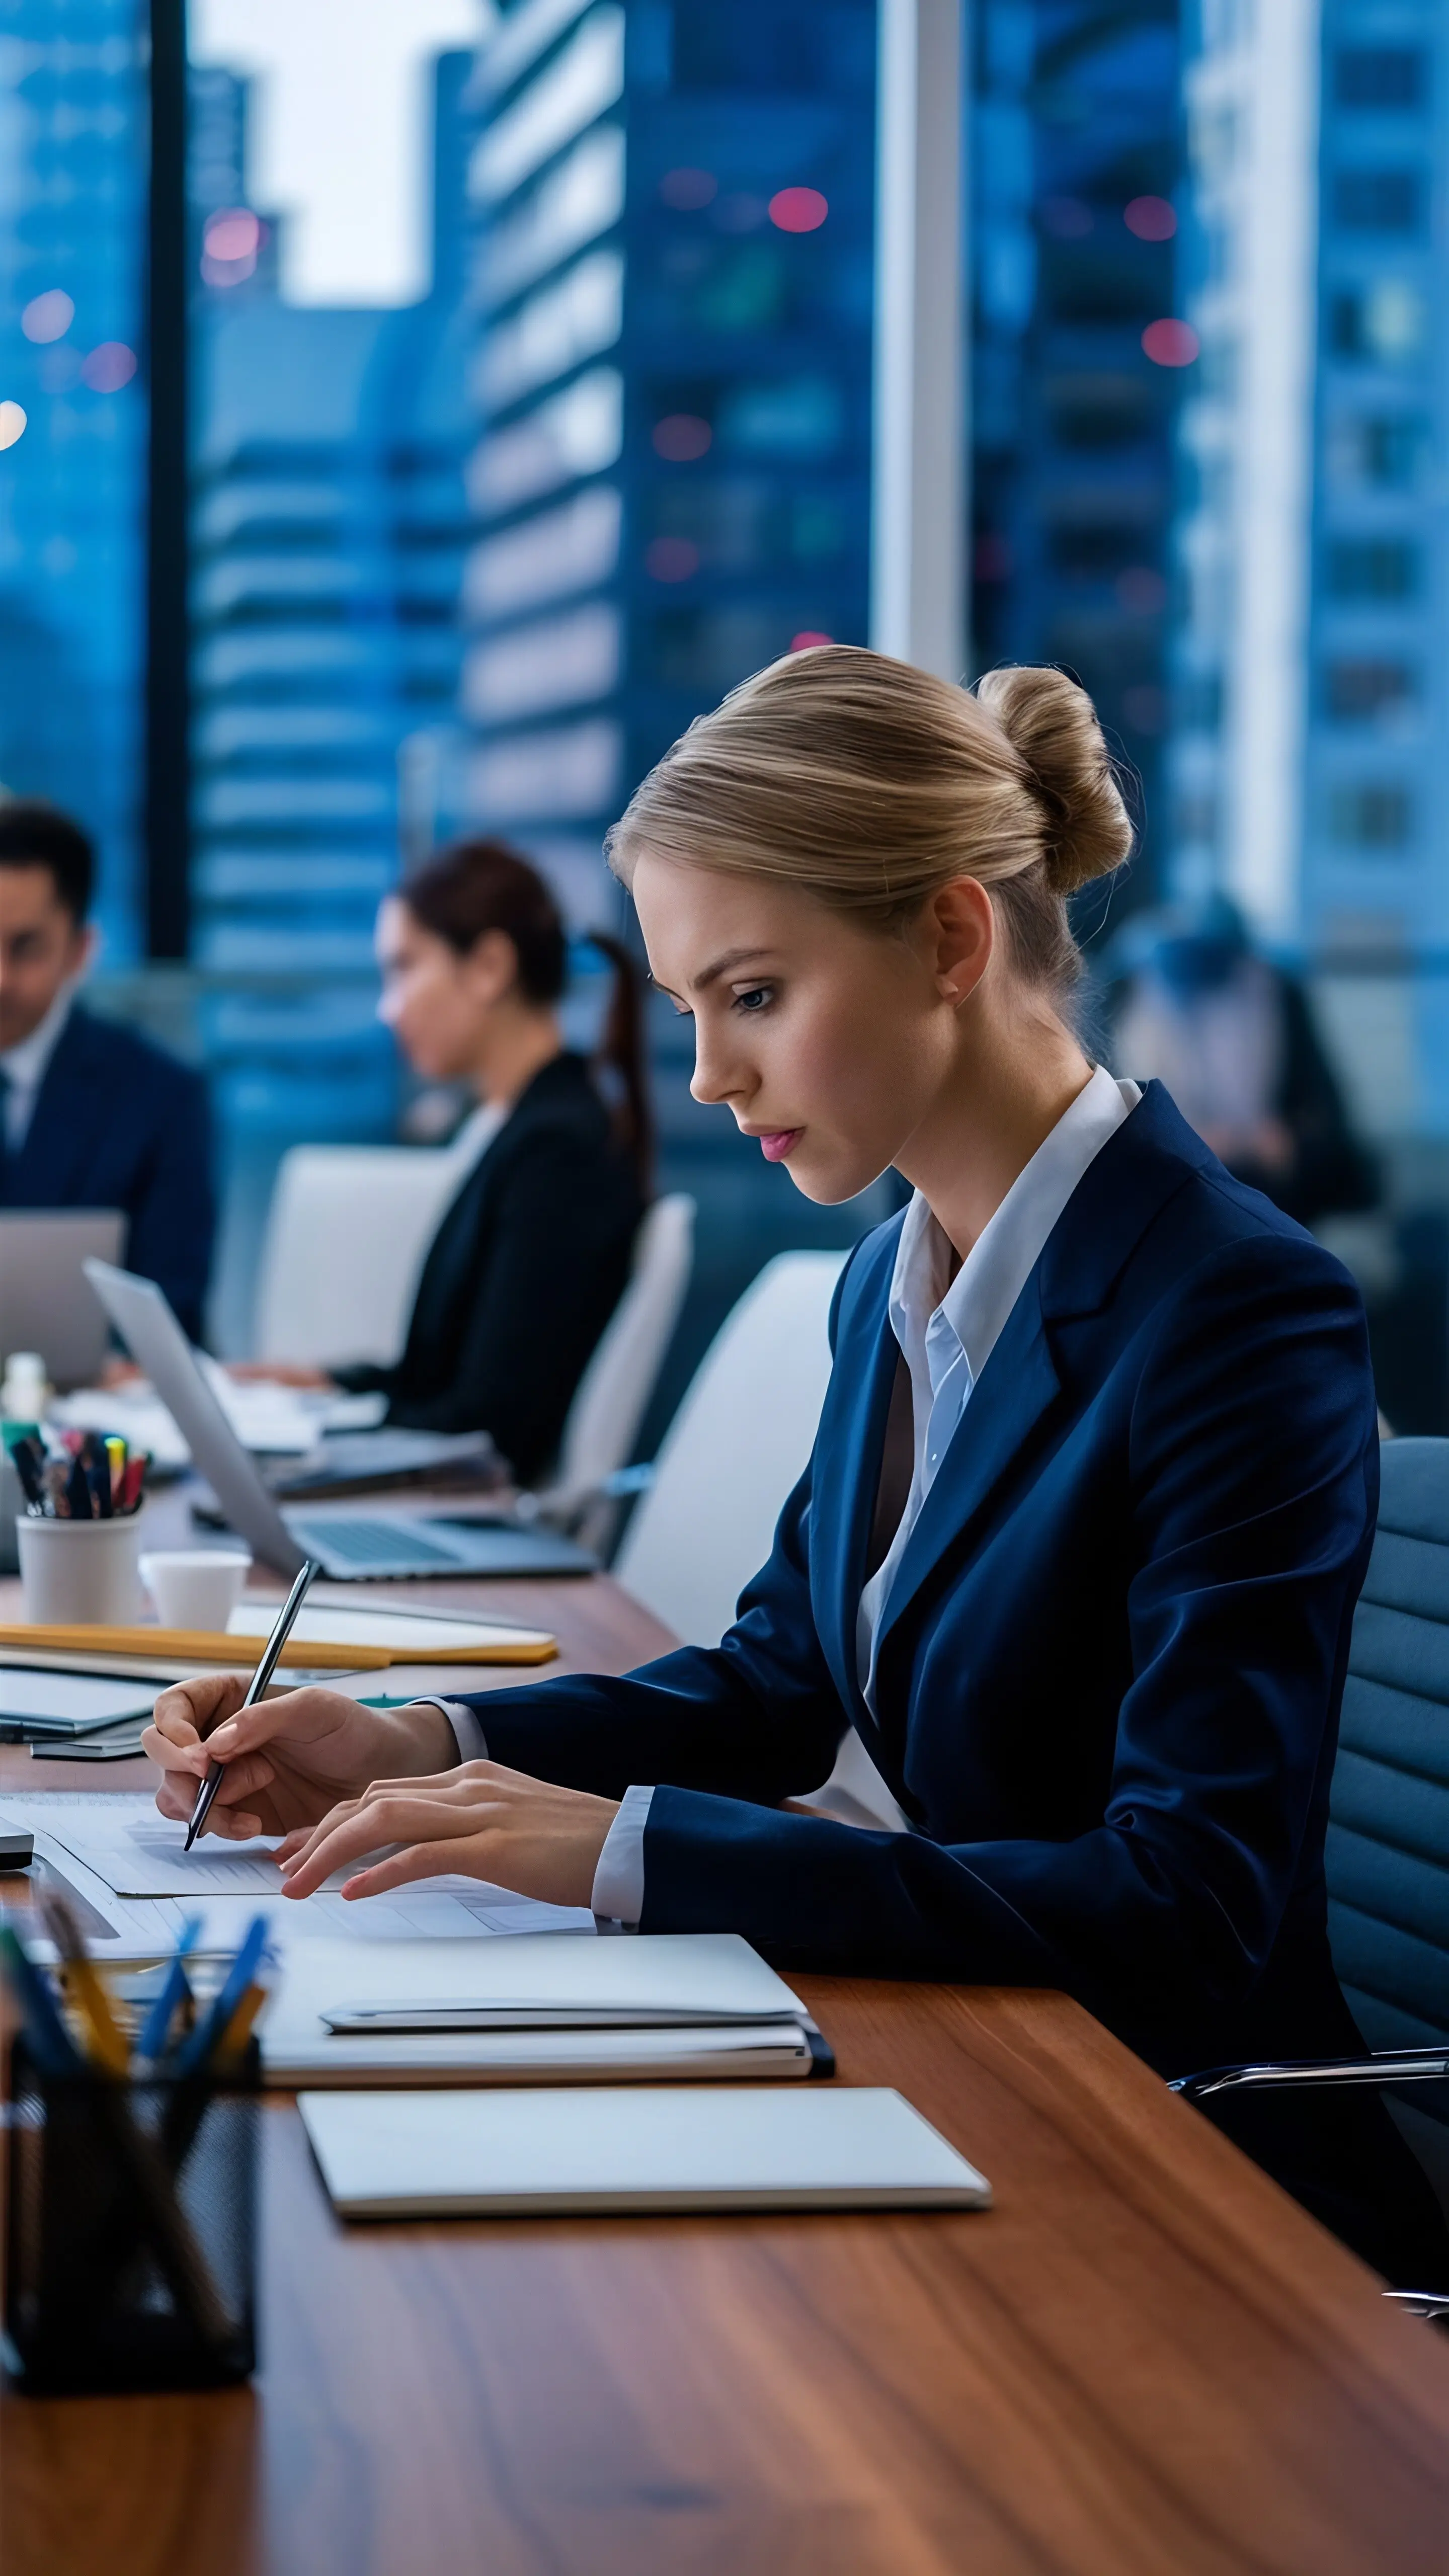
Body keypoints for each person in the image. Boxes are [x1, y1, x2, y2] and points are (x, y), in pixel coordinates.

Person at [146, 649, 1446, 2284]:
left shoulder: (1235, 1306)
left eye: (751, 994)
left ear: (953, 939)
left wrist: (632, 1851)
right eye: (689, 1009)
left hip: (1181, 2174)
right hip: (976, 2079)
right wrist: (414, 1732)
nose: (705, 1074)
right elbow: (776, 1683)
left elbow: (1183, 1905)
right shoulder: (890, 1278)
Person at [246, 839, 649, 1484]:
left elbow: (492, 1422)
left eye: (403, 967)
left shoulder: (556, 1153)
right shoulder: (515, 1128)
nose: (388, 1007)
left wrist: (318, 1437)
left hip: (472, 1506)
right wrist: (326, 1383)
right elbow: (448, 1376)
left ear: (488, 965)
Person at [0, 798, 213, 1340]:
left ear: (80, 950)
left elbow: (174, 1305)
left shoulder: (160, 1098)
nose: (0, 979)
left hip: (94, 1407)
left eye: (24, 948)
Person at [1107, 893, 1379, 1228]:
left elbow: (1324, 1108)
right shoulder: (1126, 998)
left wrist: (1287, 1141)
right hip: (1165, 1180)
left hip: (1267, 1181)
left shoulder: (1277, 994)